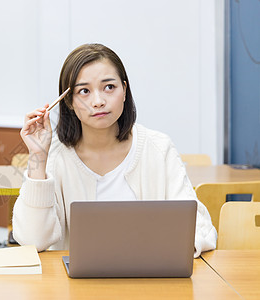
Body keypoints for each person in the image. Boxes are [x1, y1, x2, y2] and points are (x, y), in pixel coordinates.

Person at [12, 43, 217, 258]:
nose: (98, 101)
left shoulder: (158, 147)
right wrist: (39, 156)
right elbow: (32, 241)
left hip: (149, 280)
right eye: (84, 91)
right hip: (73, 288)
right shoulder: (54, 156)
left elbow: (199, 227)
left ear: (125, 90)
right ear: (70, 103)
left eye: (109, 87)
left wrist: (170, 250)